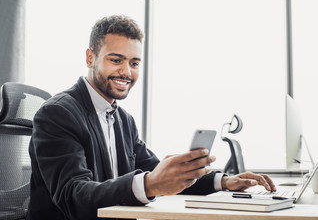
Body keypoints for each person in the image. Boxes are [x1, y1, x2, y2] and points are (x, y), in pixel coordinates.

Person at [26, 15, 276, 220]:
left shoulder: (123, 120)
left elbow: (156, 171)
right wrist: (149, 185)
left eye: (134, 63)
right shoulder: (57, 114)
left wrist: (224, 182)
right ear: (90, 58)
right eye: (116, 60)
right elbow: (74, 198)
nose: (126, 72)